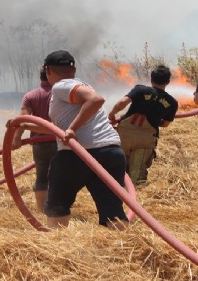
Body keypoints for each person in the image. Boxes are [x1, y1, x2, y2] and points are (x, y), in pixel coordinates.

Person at [11, 50, 129, 231]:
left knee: (57, 204)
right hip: (111, 152)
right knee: (112, 208)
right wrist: (24, 126)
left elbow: (96, 100)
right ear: (73, 69)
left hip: (78, 154)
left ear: (48, 70)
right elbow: (57, 130)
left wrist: (72, 129)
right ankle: (123, 249)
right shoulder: (79, 86)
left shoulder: (61, 86)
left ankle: (58, 245)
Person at [108, 65, 179, 185]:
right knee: (136, 175)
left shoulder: (140, 89)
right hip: (145, 139)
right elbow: (166, 124)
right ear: (168, 82)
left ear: (151, 79)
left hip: (123, 134)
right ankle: (133, 197)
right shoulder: (172, 102)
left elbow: (122, 102)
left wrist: (112, 115)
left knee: (116, 168)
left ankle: (115, 190)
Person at [11, 68, 58, 213]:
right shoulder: (61, 95)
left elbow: (24, 118)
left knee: (42, 175)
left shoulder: (30, 96)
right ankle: (56, 208)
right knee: (59, 174)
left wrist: (17, 138)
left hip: (39, 143)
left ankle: (41, 210)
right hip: (61, 140)